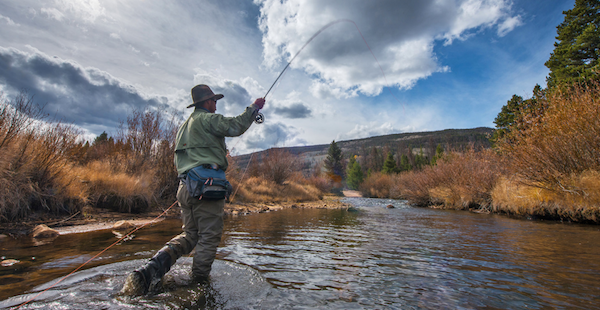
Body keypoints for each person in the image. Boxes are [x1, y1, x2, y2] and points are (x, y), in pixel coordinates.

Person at [122, 84, 265, 295]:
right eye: (214, 100)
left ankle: (149, 271)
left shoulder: (184, 127)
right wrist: (254, 108)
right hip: (206, 188)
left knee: (190, 235)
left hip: (185, 187)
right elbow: (236, 126)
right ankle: (198, 287)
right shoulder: (207, 119)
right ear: (206, 103)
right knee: (209, 236)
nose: (216, 104)